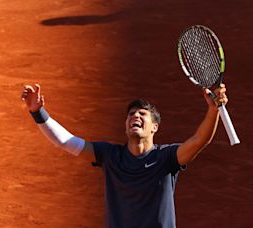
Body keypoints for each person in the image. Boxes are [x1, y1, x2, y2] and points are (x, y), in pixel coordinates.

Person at [21, 83, 228, 228]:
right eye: (131, 114)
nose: (135, 116)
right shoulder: (110, 156)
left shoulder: (167, 158)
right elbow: (66, 142)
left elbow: (199, 140)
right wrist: (38, 113)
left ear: (155, 127)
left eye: (142, 114)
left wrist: (213, 110)